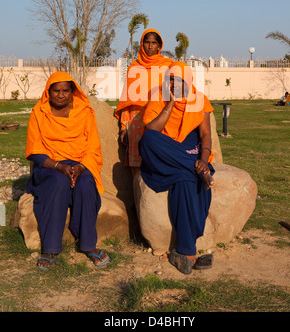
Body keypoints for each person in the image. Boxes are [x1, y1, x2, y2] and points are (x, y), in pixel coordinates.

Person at [25, 71, 109, 270]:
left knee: (87, 184)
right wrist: (59, 167)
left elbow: (92, 147)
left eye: (65, 90)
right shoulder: (39, 112)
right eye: (56, 91)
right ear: (49, 92)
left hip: (79, 163)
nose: (60, 95)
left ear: (73, 92)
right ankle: (51, 249)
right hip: (50, 165)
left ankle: (88, 245)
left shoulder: (85, 112)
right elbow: (35, 151)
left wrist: (79, 167)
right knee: (58, 182)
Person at [138, 61, 215, 275]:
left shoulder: (200, 100)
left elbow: (205, 135)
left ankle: (186, 250)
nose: (173, 83)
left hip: (188, 152)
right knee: (148, 139)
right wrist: (170, 103)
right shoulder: (159, 97)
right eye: (169, 79)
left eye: (178, 80)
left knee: (184, 182)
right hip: (166, 155)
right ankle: (199, 170)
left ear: (187, 81)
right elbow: (151, 130)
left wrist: (205, 157)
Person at [115, 28, 173, 176]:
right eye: (147, 42)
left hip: (159, 117)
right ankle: (138, 198)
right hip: (136, 121)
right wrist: (123, 127)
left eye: (154, 43)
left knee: (158, 160)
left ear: (160, 46)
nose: (150, 46)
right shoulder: (134, 67)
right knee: (138, 164)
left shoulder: (168, 66)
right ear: (141, 44)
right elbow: (126, 101)